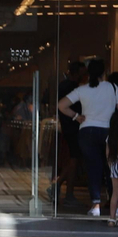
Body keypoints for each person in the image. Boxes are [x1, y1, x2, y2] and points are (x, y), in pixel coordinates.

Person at [55, 58, 118, 218]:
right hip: (108, 130)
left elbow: (61, 105)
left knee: (93, 167)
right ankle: (116, 203)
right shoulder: (112, 87)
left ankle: (95, 205)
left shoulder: (82, 89)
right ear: (104, 72)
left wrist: (76, 116)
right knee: (111, 166)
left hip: (87, 131)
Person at [51, 61, 86, 205]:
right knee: (74, 158)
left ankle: (59, 186)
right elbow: (62, 106)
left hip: (69, 126)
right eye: (83, 73)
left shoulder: (65, 85)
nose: (85, 76)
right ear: (77, 73)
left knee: (73, 158)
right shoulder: (72, 88)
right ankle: (66, 191)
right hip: (72, 127)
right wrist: (76, 117)